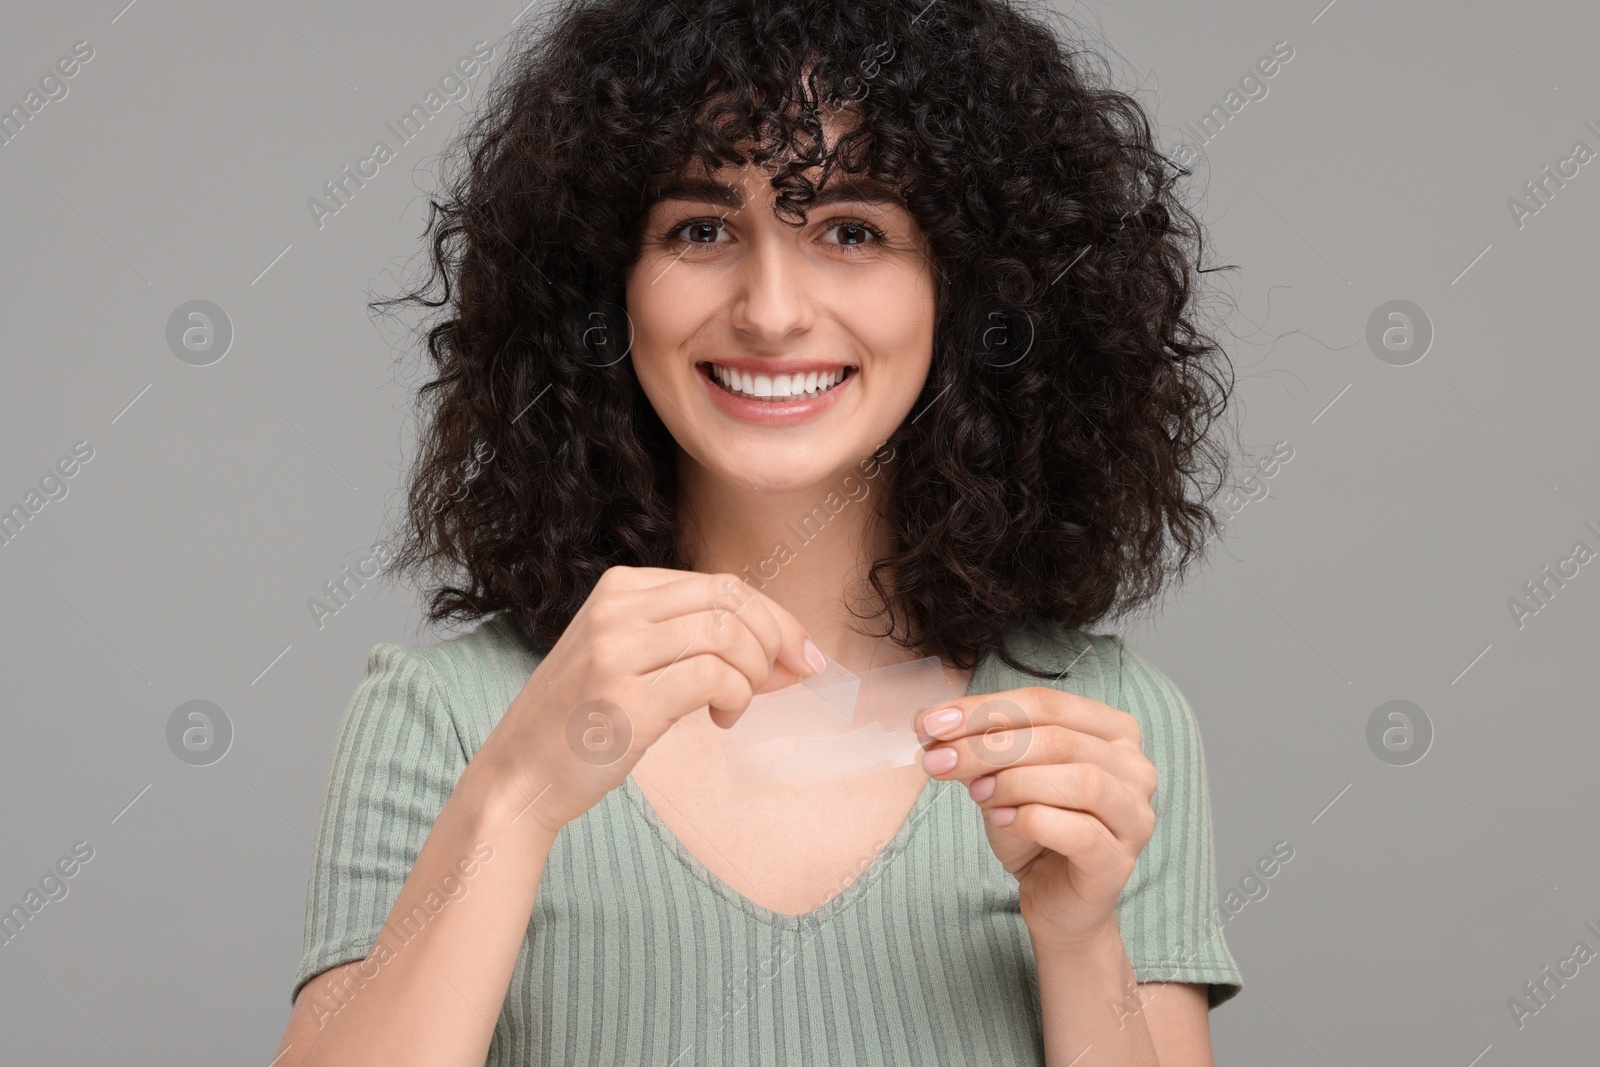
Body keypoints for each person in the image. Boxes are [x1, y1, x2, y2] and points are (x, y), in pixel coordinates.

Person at [274, 0, 1243, 1063]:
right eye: (700, 228)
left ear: (966, 290)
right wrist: (512, 799)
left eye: (850, 230)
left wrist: (1076, 932)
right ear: (607, 284)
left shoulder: (1097, 728)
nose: (771, 312)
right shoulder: (448, 721)